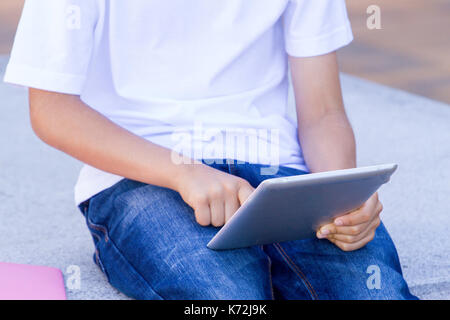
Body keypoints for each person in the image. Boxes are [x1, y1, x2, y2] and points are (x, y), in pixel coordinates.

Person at [4, 0, 417, 299]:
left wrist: (340, 193)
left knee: (375, 294)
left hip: (282, 176)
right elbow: (52, 111)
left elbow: (324, 112)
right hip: (143, 175)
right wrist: (183, 172)